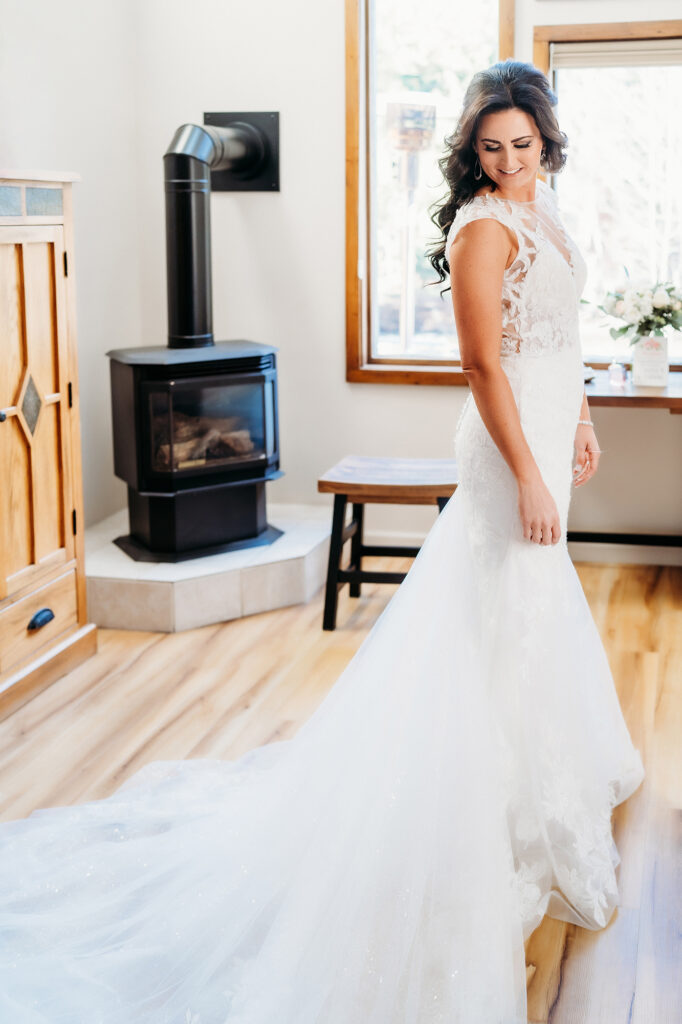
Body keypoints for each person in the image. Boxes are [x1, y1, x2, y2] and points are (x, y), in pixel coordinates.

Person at [0, 60, 644, 1024]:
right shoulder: (481, 228)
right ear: (472, 153)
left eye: (524, 145)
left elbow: (554, 335)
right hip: (509, 452)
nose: (510, 162)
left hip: (550, 429)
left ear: (549, 141)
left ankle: (536, 793)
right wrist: (532, 474)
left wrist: (582, 423)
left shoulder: (548, 216)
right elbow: (480, 365)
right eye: (491, 148)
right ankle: (472, 816)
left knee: (533, 615)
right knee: (495, 612)